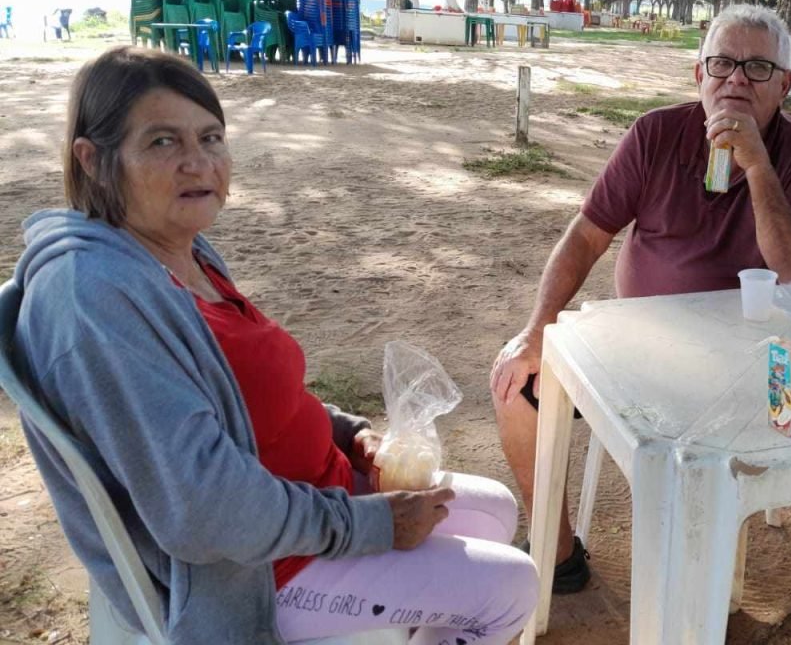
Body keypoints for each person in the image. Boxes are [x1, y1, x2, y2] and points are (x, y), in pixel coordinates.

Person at [12, 46, 538, 644]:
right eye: (162, 142)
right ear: (93, 160)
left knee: (495, 509)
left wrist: (348, 433)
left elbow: (251, 393)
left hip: (313, 499)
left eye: (211, 138)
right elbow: (203, 512)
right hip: (252, 572)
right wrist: (368, 525)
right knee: (511, 586)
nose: (197, 163)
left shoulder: (180, 250)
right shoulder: (96, 300)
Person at [489, 4, 791, 593]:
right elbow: (587, 234)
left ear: (784, 85)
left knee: (705, 472)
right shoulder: (655, 133)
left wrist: (758, 167)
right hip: (637, 346)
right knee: (515, 386)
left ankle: (703, 577)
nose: (735, 80)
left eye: (757, 68)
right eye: (721, 64)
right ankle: (558, 550)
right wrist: (538, 328)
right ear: (698, 75)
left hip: (749, 361)